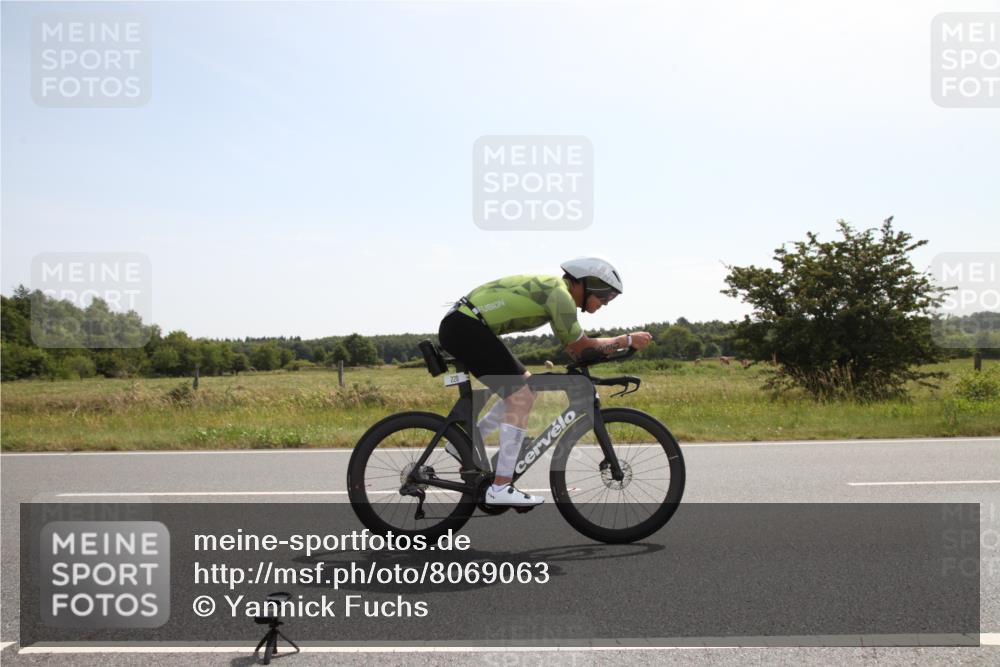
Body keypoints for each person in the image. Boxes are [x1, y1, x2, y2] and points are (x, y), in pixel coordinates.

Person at [437, 257, 652, 507]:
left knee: (526, 387)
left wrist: (613, 347)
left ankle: (465, 444)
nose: (604, 303)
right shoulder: (560, 296)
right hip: (466, 327)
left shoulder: (556, 291)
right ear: (585, 284)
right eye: (604, 296)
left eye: (610, 300)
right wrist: (625, 340)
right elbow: (581, 348)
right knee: (522, 397)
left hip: (466, 324)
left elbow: (576, 352)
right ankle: (501, 487)